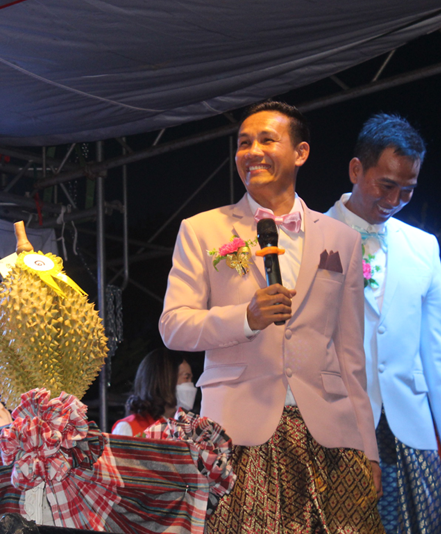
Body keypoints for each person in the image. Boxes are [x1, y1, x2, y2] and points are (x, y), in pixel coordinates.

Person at [159, 100, 383, 532]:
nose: (252, 152)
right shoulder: (202, 229)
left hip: (330, 435)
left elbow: (351, 355)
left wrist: (368, 448)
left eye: (266, 140)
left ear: (300, 152)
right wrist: (245, 318)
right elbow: (173, 325)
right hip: (237, 434)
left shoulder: (341, 239)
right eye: (244, 143)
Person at [326, 113, 440, 534]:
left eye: (407, 190)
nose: (395, 200)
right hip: (336, 427)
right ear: (356, 169)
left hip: (411, 429)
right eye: (386, 185)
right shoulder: (311, 236)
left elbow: (434, 350)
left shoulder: (424, 247)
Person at [111, 348, 197, 436]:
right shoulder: (129, 428)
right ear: (164, 380)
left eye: (191, 379)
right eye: (186, 378)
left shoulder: (187, 432)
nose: (191, 385)